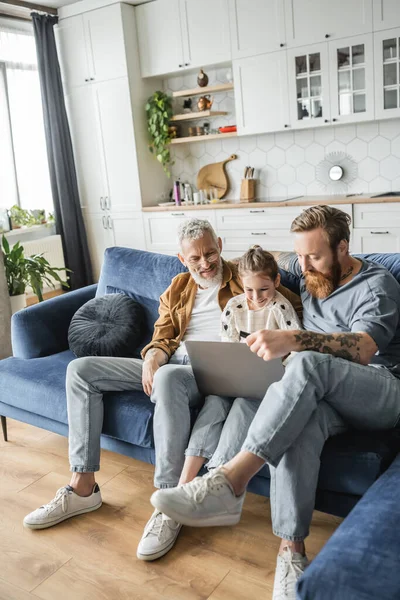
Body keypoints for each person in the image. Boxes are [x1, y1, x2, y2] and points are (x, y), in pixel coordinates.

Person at [150, 205, 400, 600]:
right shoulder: (308, 275)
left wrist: (294, 341)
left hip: (382, 390)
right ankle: (291, 550)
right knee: (294, 416)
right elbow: (254, 268)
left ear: (342, 248)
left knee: (304, 362)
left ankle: (231, 482)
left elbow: (366, 348)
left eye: (314, 256)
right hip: (325, 394)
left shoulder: (377, 284)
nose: (305, 266)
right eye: (299, 257)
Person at [22, 219, 301, 542]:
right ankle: (82, 487)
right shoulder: (179, 287)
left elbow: (286, 303)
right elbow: (163, 334)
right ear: (182, 259)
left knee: (167, 377)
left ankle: (168, 502)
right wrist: (153, 355)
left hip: (211, 373)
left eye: (209, 253)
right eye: (194, 258)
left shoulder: (242, 280)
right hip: (174, 361)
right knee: (81, 370)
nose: (204, 263)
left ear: (220, 246)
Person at [174, 246, 302, 507]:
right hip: (235, 377)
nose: (256, 297)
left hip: (267, 382)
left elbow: (295, 351)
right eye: (249, 290)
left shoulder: (281, 307)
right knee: (214, 404)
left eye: (264, 289)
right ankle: (183, 484)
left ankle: (214, 481)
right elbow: (227, 346)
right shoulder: (234, 306)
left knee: (243, 405)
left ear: (276, 281)